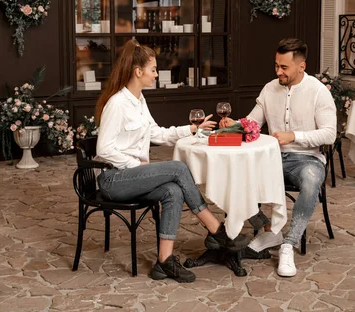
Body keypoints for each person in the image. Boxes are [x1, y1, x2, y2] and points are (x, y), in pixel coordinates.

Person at [95, 39, 249, 283]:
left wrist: (190, 129)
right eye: (153, 69)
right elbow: (103, 148)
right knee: (177, 168)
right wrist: (135, 165)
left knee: (173, 191)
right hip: (114, 179)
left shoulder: (139, 101)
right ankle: (216, 230)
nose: (156, 74)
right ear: (138, 71)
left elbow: (157, 134)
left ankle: (164, 262)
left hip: (131, 177)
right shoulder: (117, 103)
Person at [219, 38, 336, 277]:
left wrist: (294, 136)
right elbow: (253, 122)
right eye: (276, 65)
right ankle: (268, 229)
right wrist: (235, 125)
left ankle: (288, 244)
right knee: (234, 176)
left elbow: (330, 133)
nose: (278, 72)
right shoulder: (269, 88)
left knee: (313, 179)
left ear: (301, 66)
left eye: (284, 67)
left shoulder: (318, 92)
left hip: (306, 160)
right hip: (270, 157)